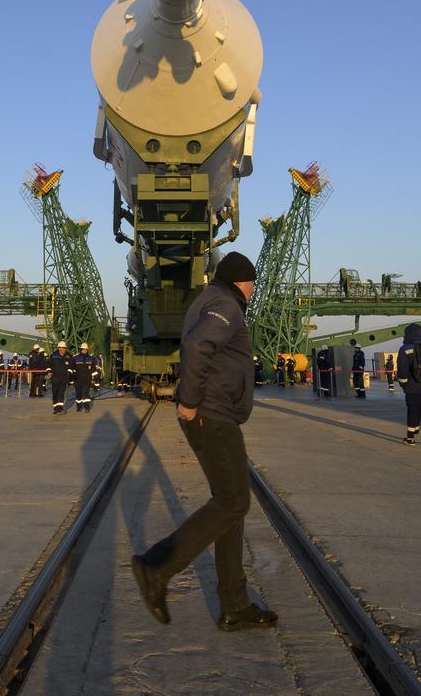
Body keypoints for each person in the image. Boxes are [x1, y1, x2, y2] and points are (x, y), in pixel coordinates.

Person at [132, 251, 275, 632]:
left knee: (231, 504)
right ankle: (156, 566)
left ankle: (235, 604)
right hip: (212, 414)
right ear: (242, 280)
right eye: (252, 282)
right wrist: (191, 402)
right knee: (233, 501)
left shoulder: (212, 300)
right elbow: (197, 347)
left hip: (215, 412)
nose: (253, 288)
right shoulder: (225, 303)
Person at [72, 343, 96, 412]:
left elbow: (94, 369)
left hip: (87, 380)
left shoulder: (91, 359)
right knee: (78, 394)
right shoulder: (75, 358)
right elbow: (71, 368)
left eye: (86, 349)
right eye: (83, 349)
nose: (85, 351)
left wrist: (94, 379)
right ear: (81, 350)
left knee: (86, 393)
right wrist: (72, 377)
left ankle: (87, 408)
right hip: (78, 380)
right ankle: (79, 407)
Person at [49, 341, 71, 414]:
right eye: (63, 348)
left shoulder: (68, 356)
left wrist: (69, 372)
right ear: (59, 348)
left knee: (61, 394)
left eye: (65, 348)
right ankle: (55, 408)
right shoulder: (53, 355)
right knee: (55, 393)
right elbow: (48, 364)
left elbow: (71, 365)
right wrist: (49, 371)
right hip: (55, 378)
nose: (64, 349)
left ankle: (60, 409)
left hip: (64, 378)